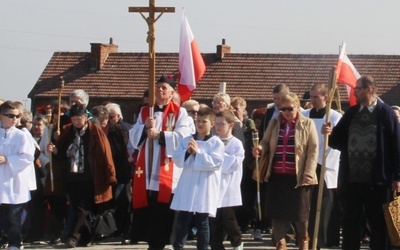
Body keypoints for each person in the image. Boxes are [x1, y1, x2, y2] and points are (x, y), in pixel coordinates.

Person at [322, 75, 400, 250]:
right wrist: (329, 132)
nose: (355, 92)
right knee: (350, 225)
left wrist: (397, 176)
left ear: (370, 89)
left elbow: (396, 146)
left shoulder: (385, 113)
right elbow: (338, 142)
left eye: (358, 89)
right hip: (352, 181)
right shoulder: (352, 112)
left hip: (377, 181)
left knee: (378, 226)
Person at [129, 75, 195, 250]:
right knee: (149, 206)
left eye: (164, 88)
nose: (159, 90)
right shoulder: (145, 112)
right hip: (147, 167)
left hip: (166, 168)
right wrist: (144, 128)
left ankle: (164, 241)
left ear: (172, 92)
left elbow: (183, 137)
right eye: (157, 87)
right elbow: (134, 137)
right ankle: (151, 242)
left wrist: (160, 135)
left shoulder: (179, 112)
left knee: (164, 208)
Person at [253, 92, 319, 250]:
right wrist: (260, 148)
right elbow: (266, 141)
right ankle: (280, 244)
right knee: (277, 213)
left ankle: (304, 240)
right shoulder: (275, 122)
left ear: (297, 107)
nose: (286, 112)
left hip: (298, 176)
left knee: (300, 215)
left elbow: (313, 150)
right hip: (276, 175)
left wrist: (308, 173)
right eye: (282, 109)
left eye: (289, 108)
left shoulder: (307, 123)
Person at [47, 104, 117, 248]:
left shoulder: (94, 131)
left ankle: (74, 236)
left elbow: (105, 153)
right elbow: (61, 155)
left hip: (89, 175)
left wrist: (110, 174)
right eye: (74, 119)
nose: (77, 121)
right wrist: (54, 150)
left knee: (83, 207)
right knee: (76, 205)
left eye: (79, 118)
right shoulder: (68, 132)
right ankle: (86, 237)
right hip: (72, 175)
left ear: (86, 117)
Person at [171, 107, 224, 250]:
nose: (200, 124)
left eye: (204, 121)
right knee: (183, 217)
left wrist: (198, 152)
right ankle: (178, 246)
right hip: (188, 183)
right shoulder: (187, 140)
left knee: (202, 221)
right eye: (198, 121)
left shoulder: (216, 142)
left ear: (212, 124)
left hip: (205, 186)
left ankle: (203, 247)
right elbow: (177, 159)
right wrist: (187, 152)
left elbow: (215, 163)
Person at [302, 83, 342, 248]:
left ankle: (325, 239)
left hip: (324, 164)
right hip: (307, 164)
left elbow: (338, 141)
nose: (313, 100)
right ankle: (309, 238)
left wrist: (330, 134)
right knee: (307, 204)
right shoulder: (304, 114)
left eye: (316, 97)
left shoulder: (333, 117)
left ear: (326, 97)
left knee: (325, 205)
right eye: (311, 97)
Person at [255, 83, 290, 240]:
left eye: (279, 98)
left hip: (287, 158)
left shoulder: (294, 112)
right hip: (270, 158)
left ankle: (288, 230)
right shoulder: (269, 112)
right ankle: (266, 225)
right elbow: (264, 134)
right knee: (269, 194)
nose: (276, 102)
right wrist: (261, 148)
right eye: (274, 98)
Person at [91, 105, 131, 240]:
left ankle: (121, 230)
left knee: (121, 201)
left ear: (106, 120)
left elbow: (125, 150)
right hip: (101, 173)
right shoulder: (93, 131)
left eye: (100, 122)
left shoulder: (117, 130)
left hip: (120, 172)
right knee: (105, 203)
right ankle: (105, 230)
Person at [0, 101, 35, 250]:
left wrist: (8, 159)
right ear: (1, 116)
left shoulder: (21, 136)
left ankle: (15, 243)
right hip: (1, 181)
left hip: (14, 181)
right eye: (11, 116)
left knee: (14, 217)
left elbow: (28, 157)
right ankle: (4, 240)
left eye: (17, 116)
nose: (15, 119)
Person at [210, 110, 245, 250]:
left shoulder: (236, 143)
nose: (218, 127)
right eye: (216, 123)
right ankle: (216, 246)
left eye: (221, 124)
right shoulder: (212, 141)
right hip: (214, 186)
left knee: (228, 219)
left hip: (229, 187)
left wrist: (220, 158)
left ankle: (237, 242)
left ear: (231, 125)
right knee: (214, 220)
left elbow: (234, 163)